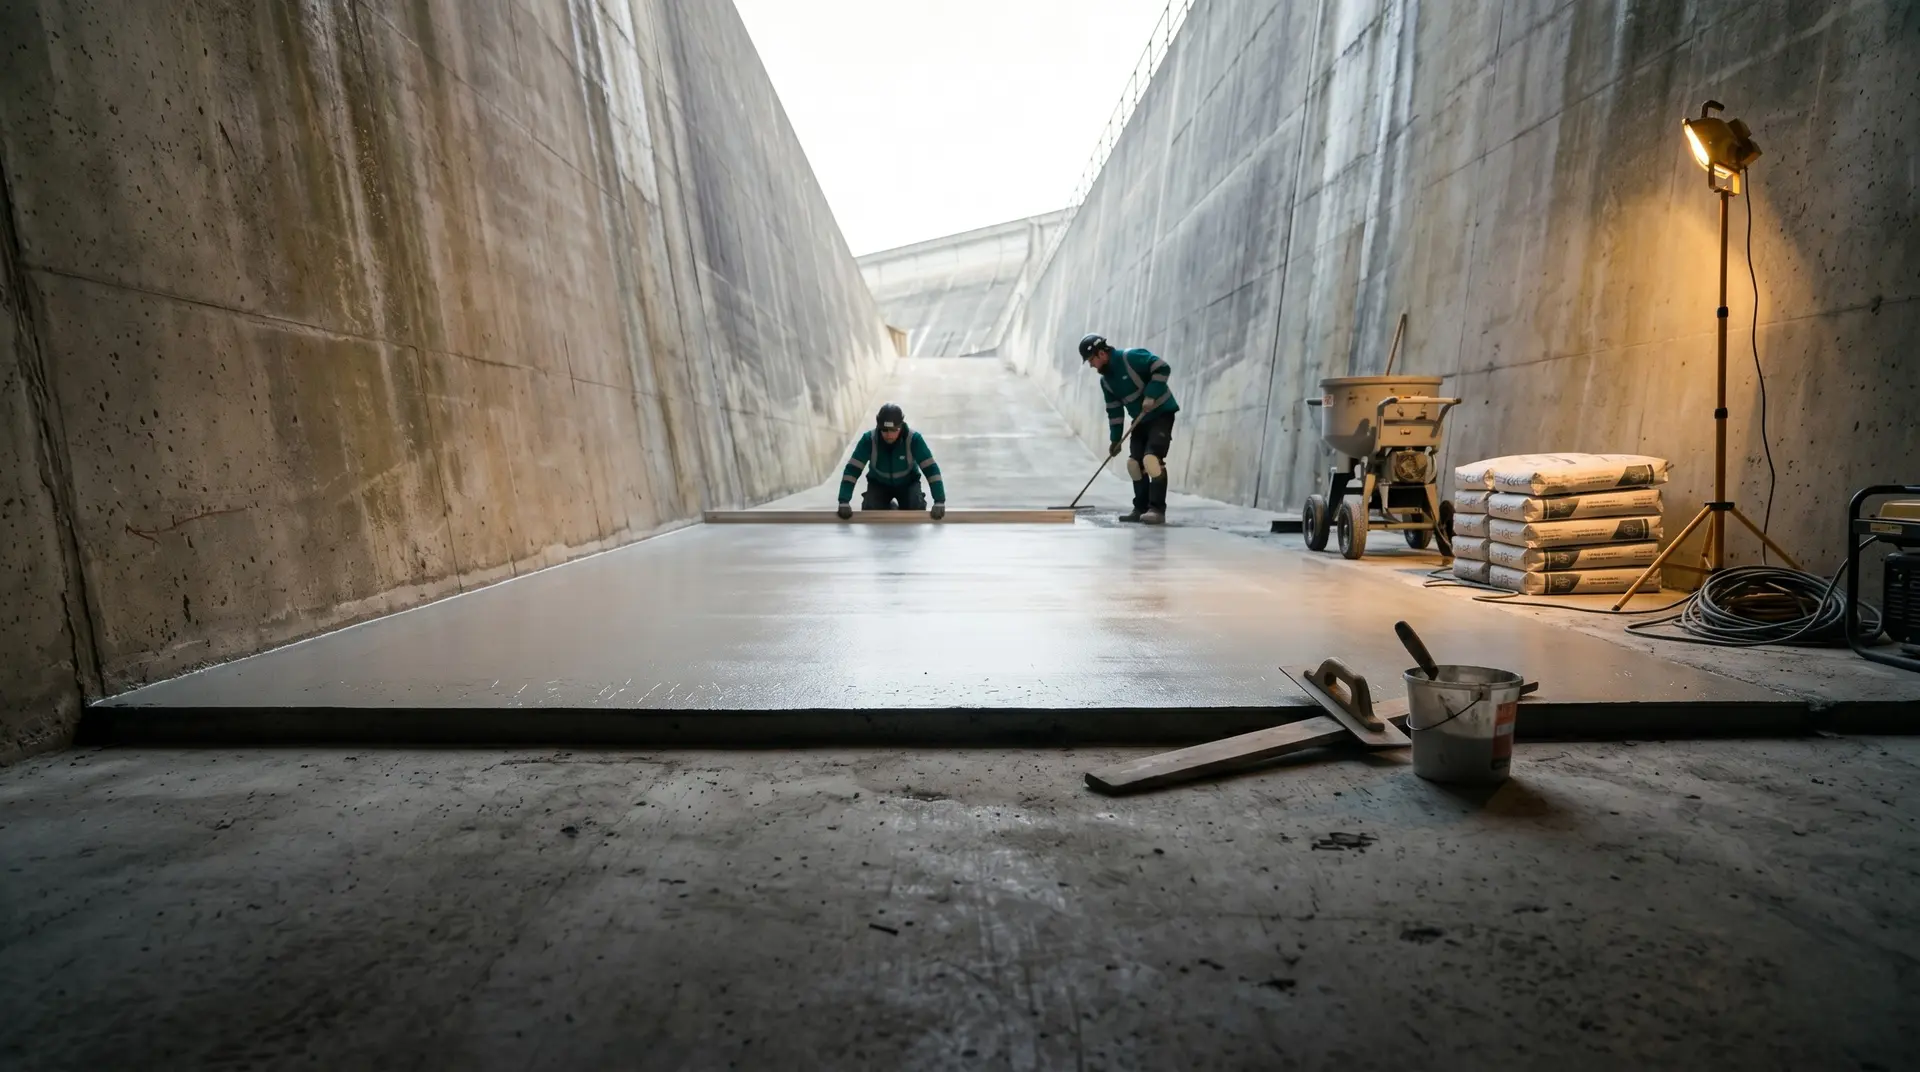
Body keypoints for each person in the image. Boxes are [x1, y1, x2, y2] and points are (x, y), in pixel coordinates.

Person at [1079, 333, 1179, 524]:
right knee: (1134, 464)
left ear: (1101, 354)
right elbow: (1114, 411)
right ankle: (1139, 508)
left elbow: (1162, 368)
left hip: (1161, 413)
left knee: (1151, 460)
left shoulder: (1131, 357)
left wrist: (1151, 395)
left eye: (1091, 360)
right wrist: (1115, 440)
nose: (1091, 365)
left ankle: (1157, 510)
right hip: (1140, 420)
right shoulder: (1106, 381)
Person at [837, 403, 946, 519]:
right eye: (884, 430)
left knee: (915, 507)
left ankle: (900, 505)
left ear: (901, 426)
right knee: (871, 509)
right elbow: (852, 470)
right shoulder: (869, 440)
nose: (889, 435)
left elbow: (931, 469)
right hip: (879, 484)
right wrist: (844, 500)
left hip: (907, 484)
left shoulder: (914, 440)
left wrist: (939, 500)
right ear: (878, 426)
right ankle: (888, 506)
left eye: (894, 430)